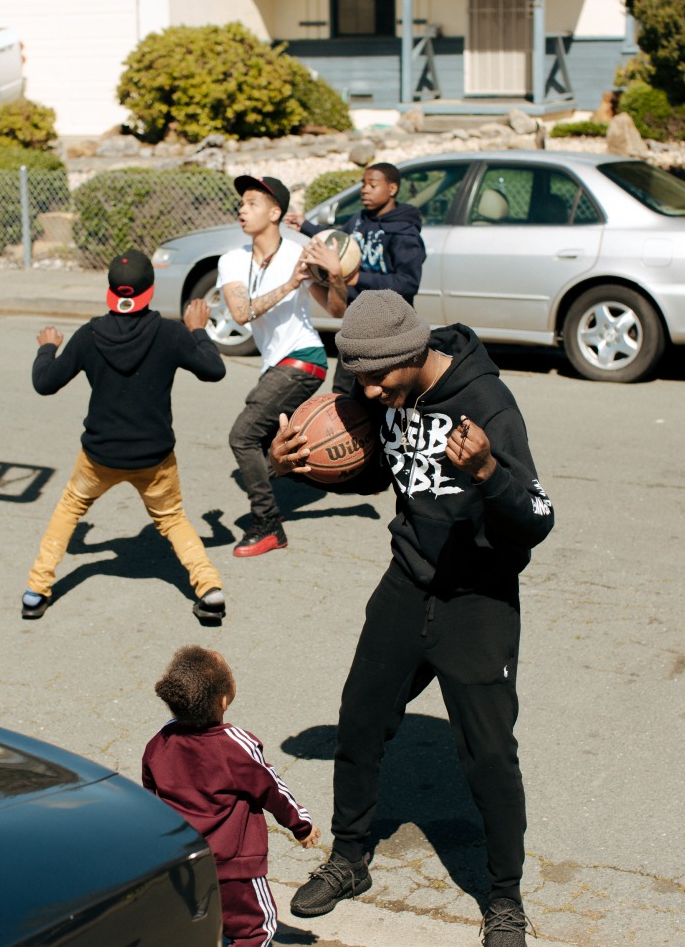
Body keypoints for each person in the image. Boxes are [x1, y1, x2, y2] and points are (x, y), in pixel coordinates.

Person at [270, 290, 554, 947]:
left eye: (377, 379)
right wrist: (300, 470)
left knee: (488, 755)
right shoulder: (380, 386)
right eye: (358, 378)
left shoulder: (487, 405)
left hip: (477, 597)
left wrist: (488, 471)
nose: (365, 392)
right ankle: (349, 859)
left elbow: (538, 519)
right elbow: (374, 468)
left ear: (412, 354)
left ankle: (504, 899)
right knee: (361, 723)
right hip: (407, 580)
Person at [25, 249, 228, 622]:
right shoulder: (170, 333)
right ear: (150, 291)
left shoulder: (88, 335)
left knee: (69, 509)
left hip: (99, 457)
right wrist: (197, 328)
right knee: (172, 519)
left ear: (111, 292)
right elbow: (214, 370)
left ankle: (36, 593)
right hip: (155, 459)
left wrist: (47, 349)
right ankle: (209, 589)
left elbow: (44, 383)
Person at [143, 645, 320, 947]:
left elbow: (150, 798)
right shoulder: (236, 745)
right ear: (224, 700)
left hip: (184, 860)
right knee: (257, 930)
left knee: (195, 924)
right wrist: (301, 824)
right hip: (234, 866)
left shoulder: (161, 741)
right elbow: (272, 789)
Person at [198, 174, 325, 557]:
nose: (242, 208)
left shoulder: (301, 251)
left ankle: (268, 524)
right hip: (275, 363)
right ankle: (337, 462)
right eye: (242, 202)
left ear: (275, 212)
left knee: (242, 436)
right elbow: (239, 314)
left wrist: (334, 277)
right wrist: (288, 285)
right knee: (269, 444)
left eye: (252, 202)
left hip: (304, 357)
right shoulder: (231, 260)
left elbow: (338, 308)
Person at [286, 162, 427, 396]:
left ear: (392, 189)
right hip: (357, 321)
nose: (364, 190)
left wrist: (358, 279)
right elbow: (338, 241)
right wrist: (306, 226)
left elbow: (408, 283)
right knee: (345, 390)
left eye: (372, 185)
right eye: (363, 184)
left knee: (386, 391)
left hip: (389, 326)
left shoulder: (405, 231)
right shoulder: (361, 219)